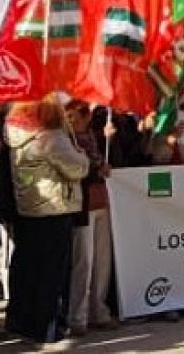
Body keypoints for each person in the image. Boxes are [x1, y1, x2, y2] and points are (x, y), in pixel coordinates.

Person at [4, 97, 89, 344]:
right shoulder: (51, 138)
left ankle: (22, 322)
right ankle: (48, 326)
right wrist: (81, 154)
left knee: (28, 269)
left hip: (29, 209)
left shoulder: (15, 136)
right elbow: (77, 168)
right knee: (52, 273)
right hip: (54, 209)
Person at [64, 101, 118, 337]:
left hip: (100, 202)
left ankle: (99, 311)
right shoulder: (67, 142)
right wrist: (96, 171)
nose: (70, 121)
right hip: (81, 206)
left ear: (86, 118)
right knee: (83, 262)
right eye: (67, 117)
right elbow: (74, 172)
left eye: (74, 117)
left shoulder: (95, 139)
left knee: (101, 261)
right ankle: (77, 316)